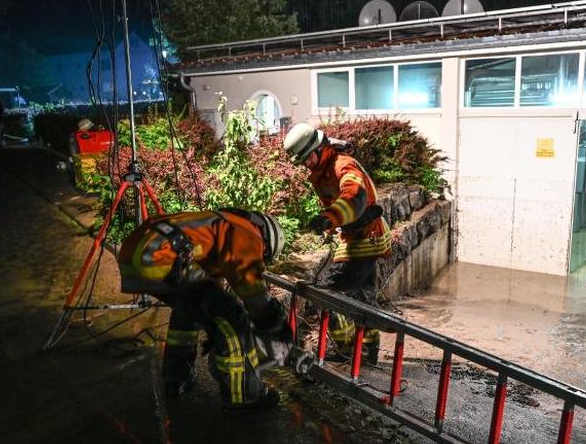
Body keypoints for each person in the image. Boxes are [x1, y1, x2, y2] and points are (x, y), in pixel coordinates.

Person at [117, 208, 291, 410]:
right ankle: (245, 396)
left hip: (133, 257)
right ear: (266, 240)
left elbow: (211, 288)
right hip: (160, 257)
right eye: (265, 255)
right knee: (233, 316)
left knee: (189, 307)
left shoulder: (219, 223)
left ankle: (177, 378)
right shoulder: (247, 232)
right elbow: (251, 290)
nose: (261, 257)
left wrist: (211, 324)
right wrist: (274, 321)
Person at [283, 123, 391, 365]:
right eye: (301, 162)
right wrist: (330, 223)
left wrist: (331, 217)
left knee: (325, 292)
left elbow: (354, 195)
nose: (305, 165)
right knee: (362, 296)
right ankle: (367, 351)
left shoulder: (342, 165)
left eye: (306, 158)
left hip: (364, 239)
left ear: (319, 148)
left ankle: (346, 348)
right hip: (363, 237)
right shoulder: (325, 168)